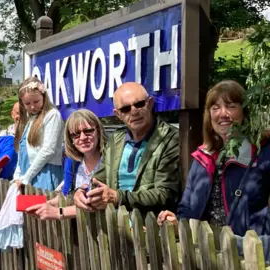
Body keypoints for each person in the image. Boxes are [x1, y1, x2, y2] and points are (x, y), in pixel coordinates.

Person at [157, 80, 270, 257]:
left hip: (247, 257)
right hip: (206, 255)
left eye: (231, 106)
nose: (222, 114)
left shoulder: (263, 154)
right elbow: (186, 209)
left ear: (244, 112)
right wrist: (176, 223)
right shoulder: (203, 158)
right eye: (215, 108)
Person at [74, 82, 180, 218]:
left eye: (139, 104)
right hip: (116, 226)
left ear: (150, 103)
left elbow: (166, 194)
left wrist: (118, 197)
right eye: (125, 109)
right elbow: (99, 180)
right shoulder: (115, 140)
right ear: (118, 114)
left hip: (152, 228)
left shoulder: (169, 138)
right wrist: (82, 192)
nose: (134, 111)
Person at [27, 109, 107, 220]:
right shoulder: (73, 161)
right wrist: (47, 205)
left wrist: (60, 212)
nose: (83, 138)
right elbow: (66, 193)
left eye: (88, 131)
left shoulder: (109, 159)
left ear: (98, 131)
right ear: (71, 139)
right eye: (76, 134)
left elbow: (97, 202)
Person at [13, 77, 64, 191]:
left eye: (36, 102)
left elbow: (48, 150)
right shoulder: (30, 120)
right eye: (27, 103)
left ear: (44, 97)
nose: (32, 106)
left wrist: (27, 177)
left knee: (43, 207)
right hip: (29, 175)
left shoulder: (52, 115)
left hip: (45, 173)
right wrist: (18, 175)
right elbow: (23, 154)